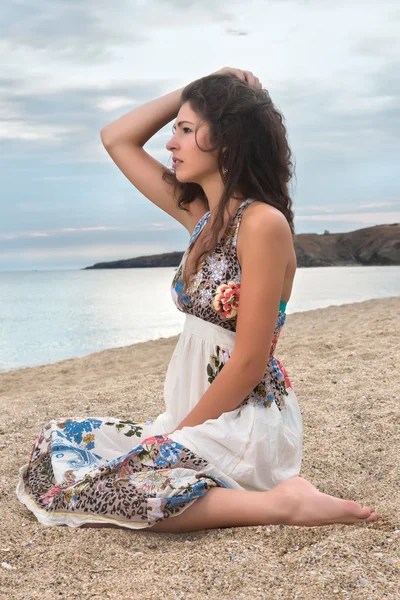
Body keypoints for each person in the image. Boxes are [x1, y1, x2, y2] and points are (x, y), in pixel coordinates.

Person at [16, 67, 381, 533]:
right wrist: (200, 88)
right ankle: (223, 483)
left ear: (228, 138)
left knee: (102, 491)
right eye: (176, 130)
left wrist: (175, 435)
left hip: (242, 421)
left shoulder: (262, 224)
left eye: (186, 131)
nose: (171, 144)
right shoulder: (201, 218)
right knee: (58, 438)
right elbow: (116, 139)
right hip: (194, 414)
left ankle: (282, 504)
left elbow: (249, 361)